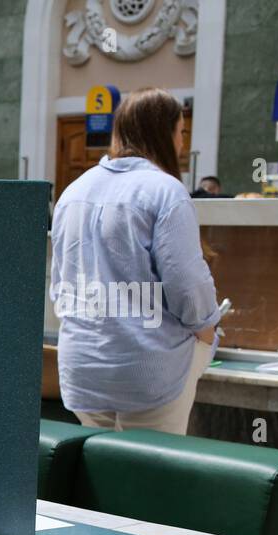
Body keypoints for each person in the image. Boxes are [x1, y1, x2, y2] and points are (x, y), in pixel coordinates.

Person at [51, 88, 220, 435]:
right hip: (148, 372)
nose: (182, 143)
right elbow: (187, 283)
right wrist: (207, 331)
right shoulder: (165, 191)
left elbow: (60, 285)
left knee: (97, 477)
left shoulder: (74, 191)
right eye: (181, 131)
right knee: (151, 481)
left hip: (82, 369)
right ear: (165, 132)